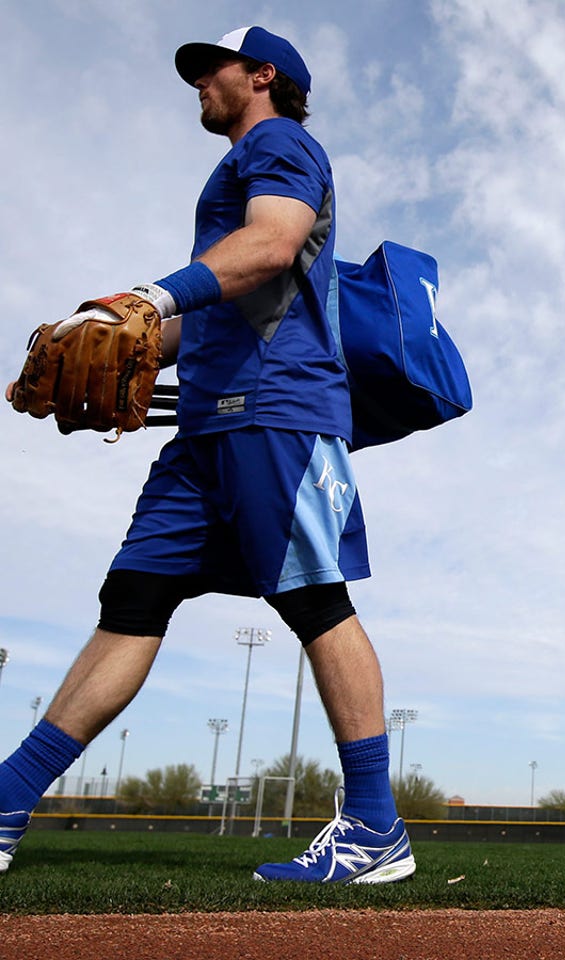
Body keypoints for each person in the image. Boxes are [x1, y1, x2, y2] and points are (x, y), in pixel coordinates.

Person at [0, 27, 414, 884]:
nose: (198, 83)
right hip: (204, 432)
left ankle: (375, 827)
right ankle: (7, 800)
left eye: (210, 69)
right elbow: (220, 304)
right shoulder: (241, 160)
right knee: (133, 602)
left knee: (313, 601)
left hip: (277, 410)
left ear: (260, 75)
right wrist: (135, 345)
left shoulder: (280, 142)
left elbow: (272, 242)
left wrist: (144, 298)